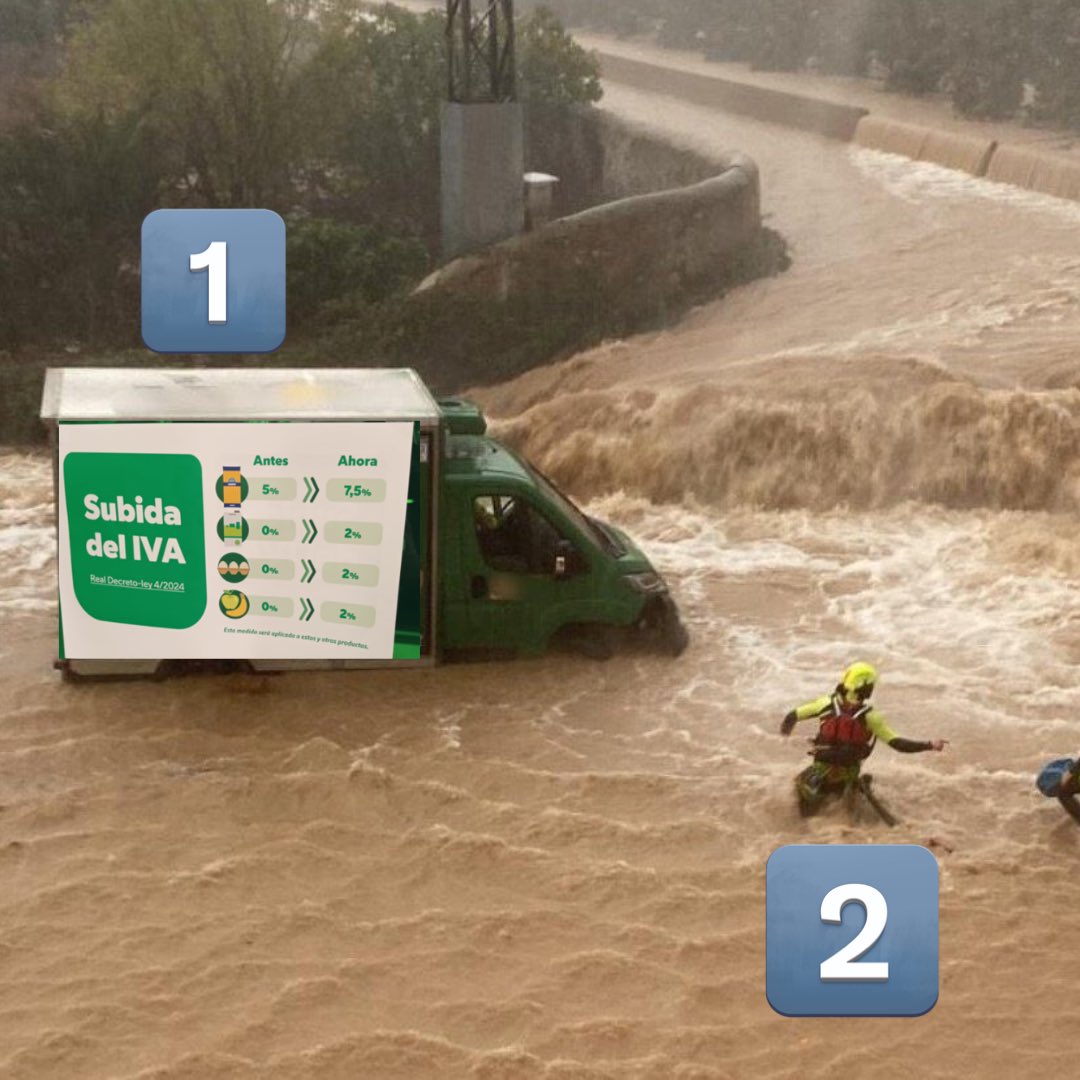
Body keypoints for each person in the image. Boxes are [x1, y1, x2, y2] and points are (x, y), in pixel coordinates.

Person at [780, 661, 947, 817]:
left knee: (806, 815)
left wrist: (783, 737)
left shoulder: (824, 704)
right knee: (844, 818)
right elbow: (897, 744)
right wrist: (930, 745)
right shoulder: (870, 717)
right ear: (866, 689)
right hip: (848, 777)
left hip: (819, 774)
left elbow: (791, 716)